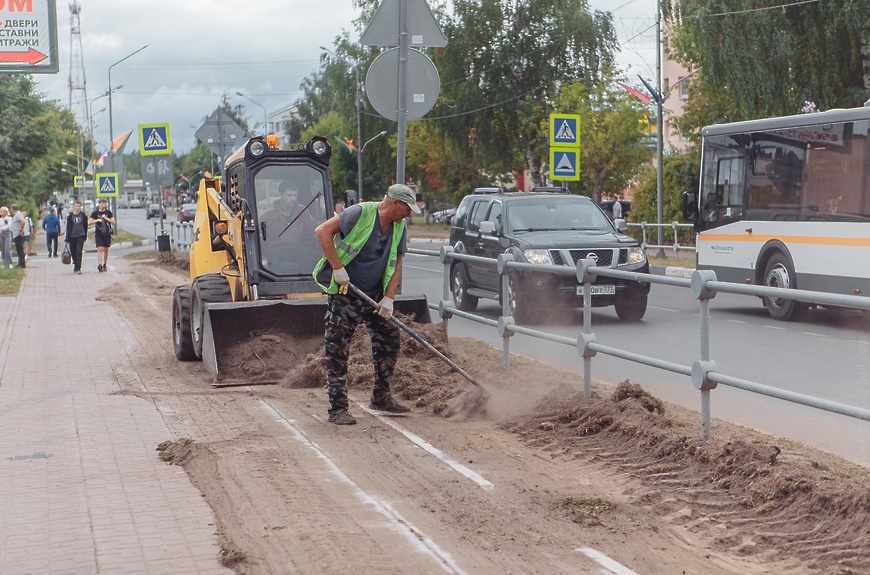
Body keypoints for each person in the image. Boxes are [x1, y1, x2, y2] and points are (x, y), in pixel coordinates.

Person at [313, 183, 421, 425]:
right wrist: (338, 269)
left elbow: (397, 262)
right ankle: (337, 409)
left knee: (390, 338)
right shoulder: (359, 213)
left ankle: (381, 397)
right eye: (407, 208)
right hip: (346, 293)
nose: (409, 214)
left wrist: (389, 298)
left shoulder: (399, 225)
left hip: (375, 296)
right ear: (395, 203)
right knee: (338, 349)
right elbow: (321, 231)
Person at [88, 198, 115, 272]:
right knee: (100, 248)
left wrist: (106, 218)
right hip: (98, 233)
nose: (103, 205)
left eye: (104, 204)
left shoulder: (108, 212)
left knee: (106, 249)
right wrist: (96, 220)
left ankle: (104, 264)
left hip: (107, 233)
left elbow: (113, 222)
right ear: (99, 204)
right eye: (102, 203)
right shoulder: (95, 213)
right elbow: (89, 222)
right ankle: (99, 264)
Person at [65, 201, 88, 274]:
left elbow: (85, 226)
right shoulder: (70, 216)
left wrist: (85, 236)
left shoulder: (83, 216)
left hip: (80, 235)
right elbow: (68, 227)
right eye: (76, 206)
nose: (77, 208)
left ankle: (78, 267)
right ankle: (75, 263)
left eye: (79, 206)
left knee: (79, 251)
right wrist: (67, 239)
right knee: (73, 252)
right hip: (72, 236)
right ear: (74, 207)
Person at [10, 204, 26, 268]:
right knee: (18, 249)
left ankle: (22, 263)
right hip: (16, 234)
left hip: (18, 234)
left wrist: (21, 230)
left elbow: (23, 222)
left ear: (12, 209)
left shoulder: (18, 215)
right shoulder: (17, 215)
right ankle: (20, 263)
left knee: (20, 249)